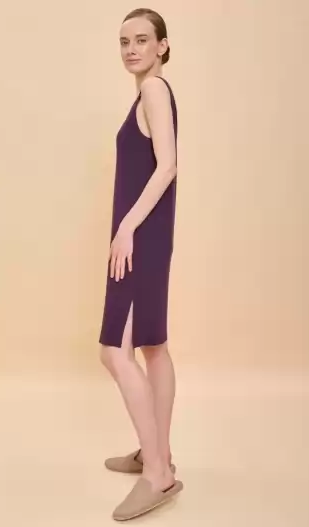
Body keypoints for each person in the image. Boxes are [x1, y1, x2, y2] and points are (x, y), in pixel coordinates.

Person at [98, 8, 183, 521]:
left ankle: (157, 474)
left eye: (142, 40)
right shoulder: (153, 93)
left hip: (141, 237)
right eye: (124, 41)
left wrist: (126, 227)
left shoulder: (153, 89)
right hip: (150, 235)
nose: (131, 49)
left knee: (115, 351)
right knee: (153, 346)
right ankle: (159, 453)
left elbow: (167, 165)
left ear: (162, 46)